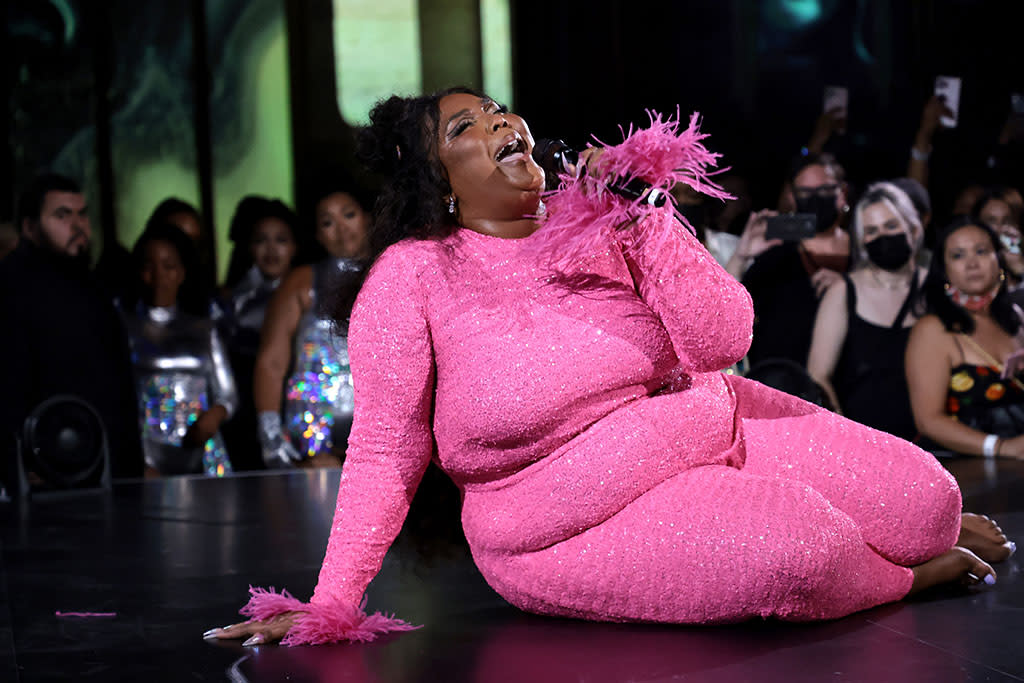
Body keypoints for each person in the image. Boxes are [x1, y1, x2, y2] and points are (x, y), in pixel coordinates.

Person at [207, 89, 1012, 648]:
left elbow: (721, 337)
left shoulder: (604, 217)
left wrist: (646, 216)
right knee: (800, 552)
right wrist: (331, 601)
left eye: (496, 110)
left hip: (712, 421)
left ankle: (900, 543)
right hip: (563, 522)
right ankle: (901, 577)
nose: (498, 124)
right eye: (464, 128)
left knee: (930, 499)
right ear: (438, 183)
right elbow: (386, 450)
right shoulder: (412, 276)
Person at [0, 174, 143, 484]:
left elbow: (117, 385)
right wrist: (19, 465)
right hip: (42, 473)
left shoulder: (92, 287)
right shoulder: (11, 287)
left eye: (82, 213)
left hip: (104, 469)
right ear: (29, 227)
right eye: (62, 215)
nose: (78, 225)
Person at [252, 186, 370, 468]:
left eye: (348, 215)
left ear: (367, 218)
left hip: (376, 430)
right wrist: (269, 432)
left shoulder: (391, 273)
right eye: (328, 222)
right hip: (313, 431)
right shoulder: (302, 281)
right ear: (318, 234)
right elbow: (272, 361)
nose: (341, 229)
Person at [807, 182, 926, 440]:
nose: (883, 236)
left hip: (935, 443)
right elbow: (818, 376)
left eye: (891, 226)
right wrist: (847, 439)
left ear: (914, 230)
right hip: (867, 443)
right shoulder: (842, 292)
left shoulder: (934, 286)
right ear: (862, 241)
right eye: (871, 231)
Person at [120, 224, 236, 476]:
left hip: (204, 452)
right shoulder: (124, 328)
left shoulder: (205, 328)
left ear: (182, 273)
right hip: (147, 455)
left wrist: (215, 415)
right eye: (149, 266)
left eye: (169, 266)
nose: (159, 276)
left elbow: (228, 394)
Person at [905, 217, 1024, 456]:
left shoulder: (1015, 318)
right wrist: (1001, 447)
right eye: (958, 255)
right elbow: (928, 421)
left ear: (998, 259)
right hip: (966, 467)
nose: (972, 263)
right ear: (945, 270)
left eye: (981, 251)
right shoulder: (932, 329)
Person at [735, 154, 851, 367]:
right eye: (805, 192)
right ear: (793, 197)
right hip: (784, 381)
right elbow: (727, 311)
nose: (815, 199)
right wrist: (742, 255)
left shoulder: (865, 252)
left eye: (824, 190)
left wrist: (849, 288)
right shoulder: (776, 254)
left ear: (842, 192)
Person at [219, 197, 300, 470]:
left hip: (297, 413)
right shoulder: (230, 303)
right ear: (248, 247)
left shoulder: (310, 299)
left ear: (295, 247)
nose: (271, 249)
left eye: (281, 240)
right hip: (243, 421)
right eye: (261, 240)